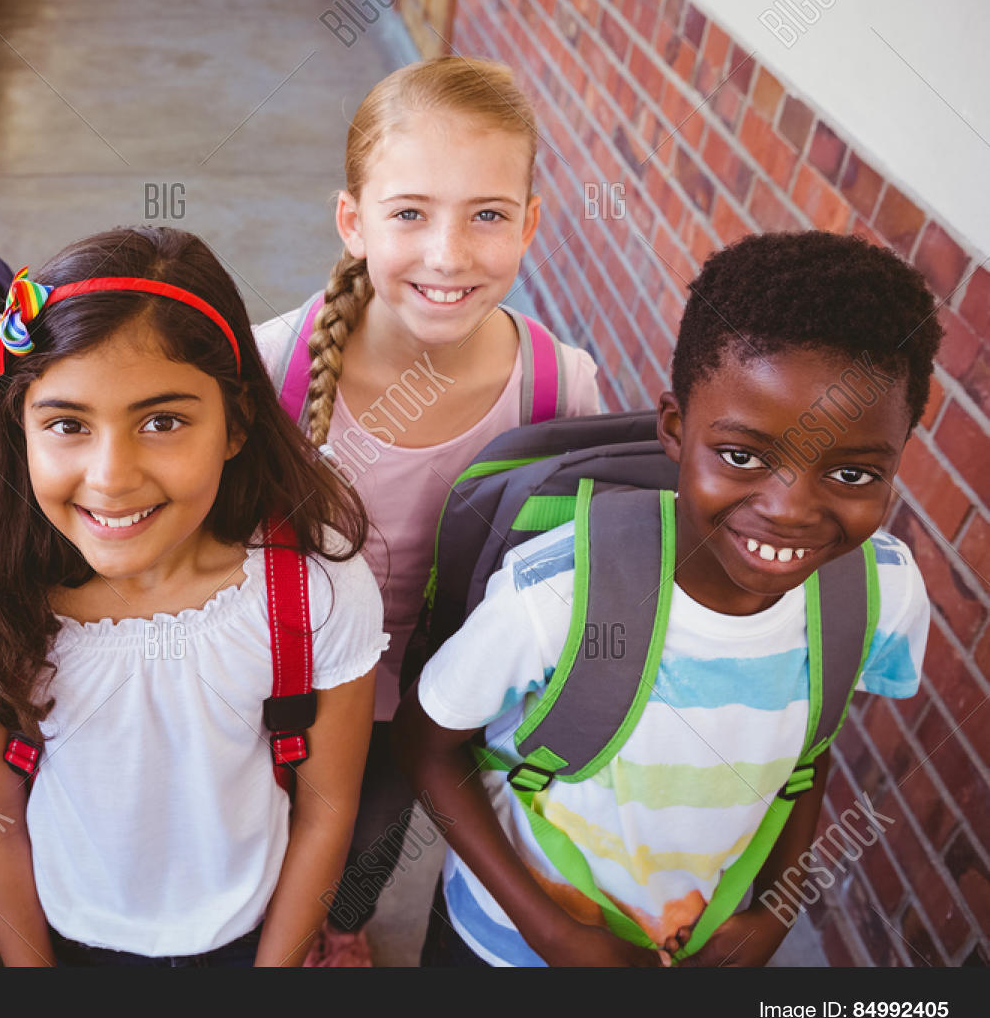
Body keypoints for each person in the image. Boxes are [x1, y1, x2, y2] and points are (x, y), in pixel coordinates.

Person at [395, 230, 938, 966]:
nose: (788, 510)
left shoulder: (879, 595)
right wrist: (550, 931)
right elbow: (429, 747)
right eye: (744, 456)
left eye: (851, 474)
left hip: (705, 943)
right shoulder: (559, 593)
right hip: (504, 945)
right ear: (676, 428)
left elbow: (807, 748)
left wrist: (776, 908)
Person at [0, 225, 387, 966]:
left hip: (251, 938)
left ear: (236, 425)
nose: (111, 475)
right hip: (62, 937)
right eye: (67, 424)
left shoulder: (316, 588)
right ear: (20, 428)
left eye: (162, 421)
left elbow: (326, 812)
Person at [253, 55, 603, 964]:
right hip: (273, 687)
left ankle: (344, 924)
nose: (449, 253)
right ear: (353, 221)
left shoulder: (559, 387)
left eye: (487, 214)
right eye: (410, 212)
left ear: (529, 224)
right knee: (261, 837)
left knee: (370, 835)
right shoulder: (270, 367)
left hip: (426, 702)